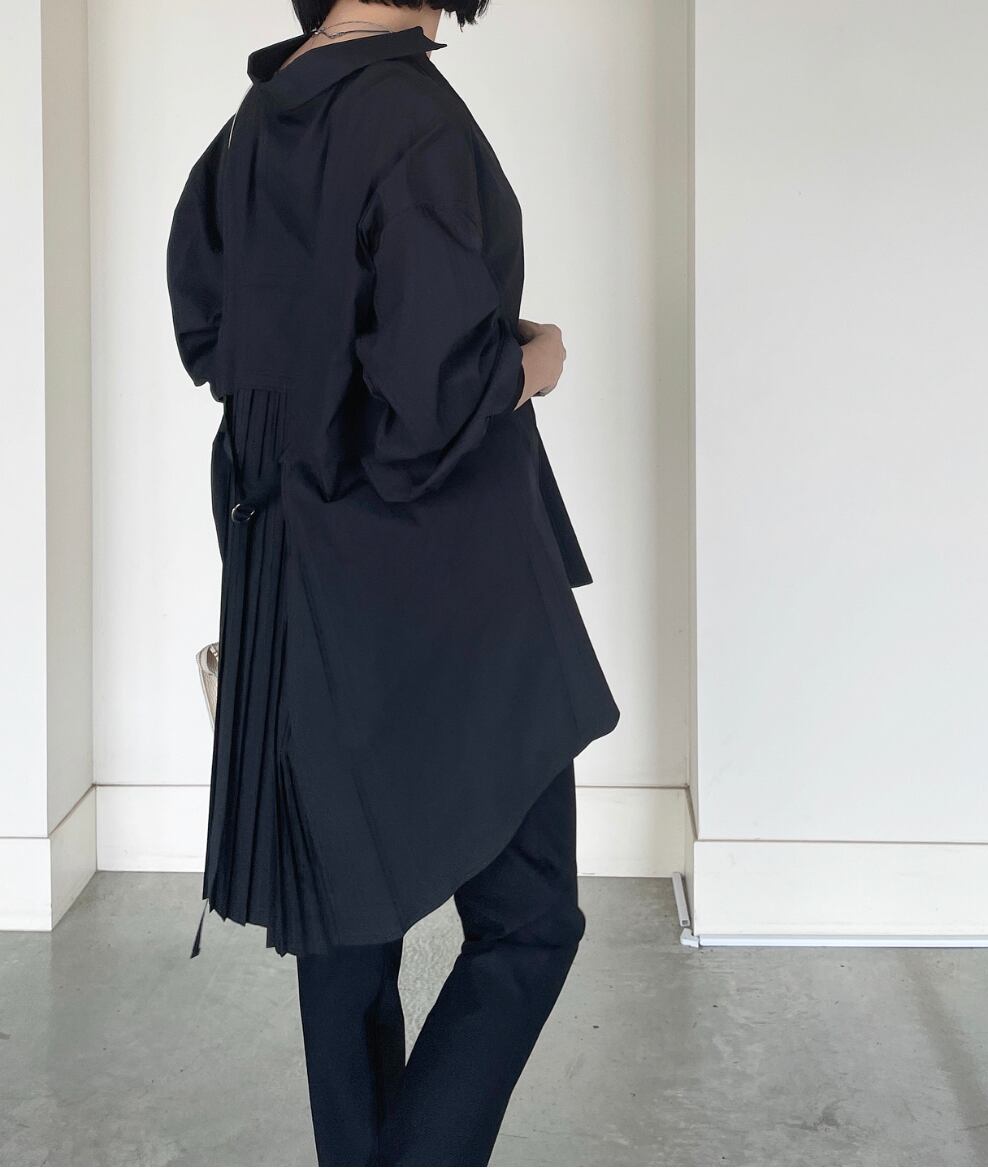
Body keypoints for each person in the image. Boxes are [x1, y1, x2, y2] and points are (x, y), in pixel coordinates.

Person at [164, 1, 621, 1163]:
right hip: (448, 583)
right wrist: (531, 360)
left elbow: (213, 336)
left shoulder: (256, 119)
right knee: (528, 918)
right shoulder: (411, 117)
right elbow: (433, 400)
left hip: (291, 576)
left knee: (342, 928)